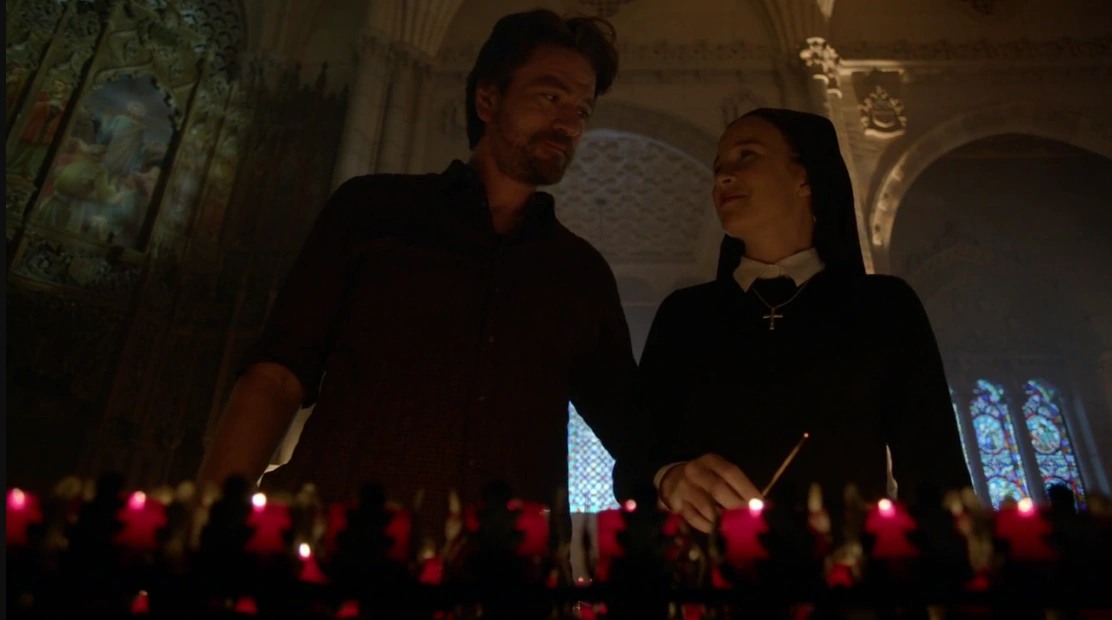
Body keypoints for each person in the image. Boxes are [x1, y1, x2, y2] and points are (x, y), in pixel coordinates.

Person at [197, 10, 638, 533]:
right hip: (342, 545)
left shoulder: (579, 273)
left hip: (499, 566)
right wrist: (208, 523)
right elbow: (277, 374)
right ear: (488, 99)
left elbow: (632, 426)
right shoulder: (373, 211)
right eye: (550, 96)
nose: (569, 124)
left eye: (582, 110)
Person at [614, 109, 971, 533]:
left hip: (844, 566)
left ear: (806, 178)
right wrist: (669, 479)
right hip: (712, 568)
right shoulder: (684, 315)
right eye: (718, 167)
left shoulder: (884, 307)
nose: (723, 176)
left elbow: (937, 474)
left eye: (747, 155)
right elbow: (633, 463)